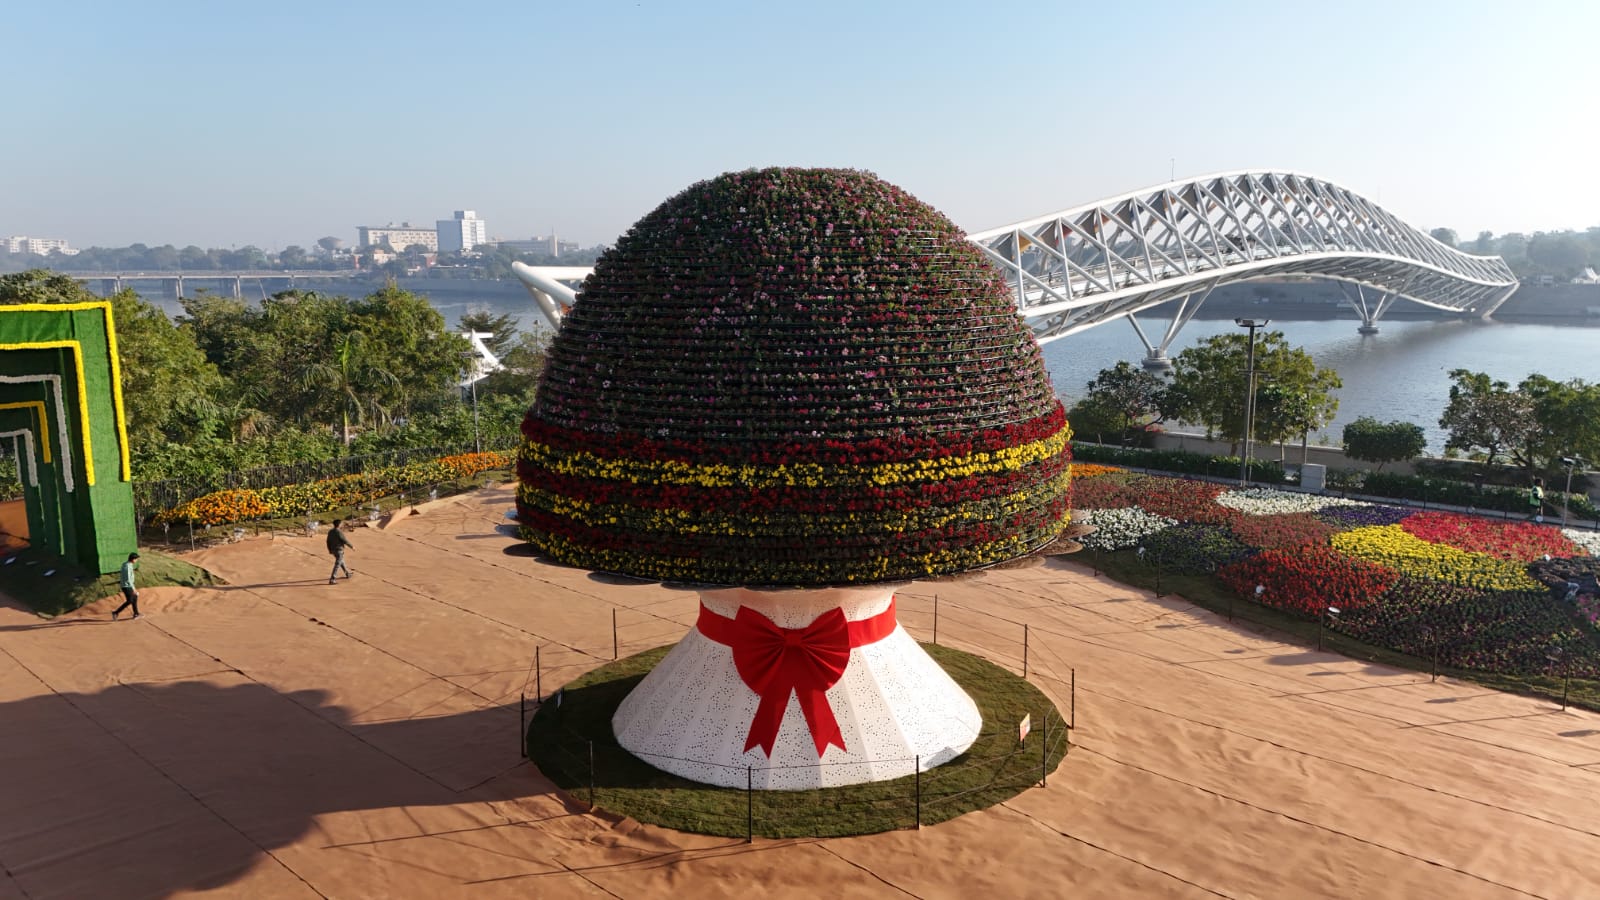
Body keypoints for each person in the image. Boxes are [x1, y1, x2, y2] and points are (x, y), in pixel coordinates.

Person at [112, 552, 140, 620]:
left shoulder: (127, 564)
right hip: (127, 586)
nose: (136, 560)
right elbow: (128, 578)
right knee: (130, 600)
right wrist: (133, 588)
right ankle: (116, 612)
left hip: (127, 585)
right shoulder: (127, 566)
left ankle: (136, 613)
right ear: (133, 559)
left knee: (135, 597)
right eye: (136, 559)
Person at [327, 519, 353, 584]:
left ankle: (347, 573)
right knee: (337, 564)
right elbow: (344, 540)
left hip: (333, 550)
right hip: (339, 550)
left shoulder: (330, 531)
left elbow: (328, 541)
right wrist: (351, 546)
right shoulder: (339, 532)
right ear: (339, 525)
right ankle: (332, 579)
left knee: (341, 562)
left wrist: (330, 550)